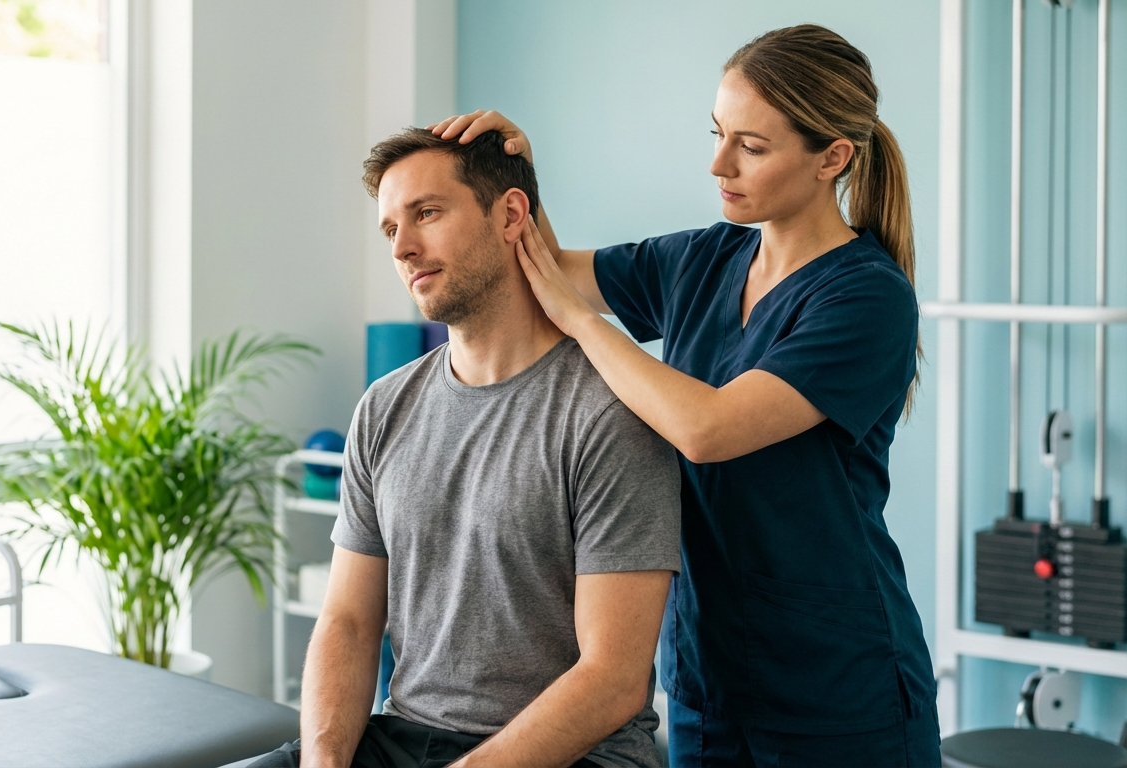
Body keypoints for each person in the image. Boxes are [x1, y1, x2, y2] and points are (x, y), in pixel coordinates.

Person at [430, 24, 939, 767]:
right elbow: (549, 274)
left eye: (751, 147)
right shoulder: (707, 257)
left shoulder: (866, 298)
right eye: (717, 133)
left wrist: (578, 324)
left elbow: (707, 427)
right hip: (708, 680)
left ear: (832, 157)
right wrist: (519, 181)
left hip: (838, 687)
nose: (718, 164)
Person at [245, 129, 682, 768]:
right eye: (390, 229)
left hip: (576, 756)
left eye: (426, 213)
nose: (404, 247)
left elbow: (611, 680)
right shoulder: (384, 407)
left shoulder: (608, 412)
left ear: (510, 214)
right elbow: (348, 623)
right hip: (405, 737)